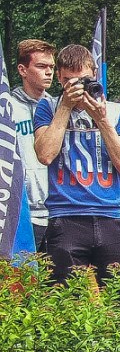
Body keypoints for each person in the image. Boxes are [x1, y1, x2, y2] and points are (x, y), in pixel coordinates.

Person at [32, 44, 120, 283]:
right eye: (69, 81)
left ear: (95, 74)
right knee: (65, 300)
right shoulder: (48, 107)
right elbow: (45, 154)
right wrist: (65, 106)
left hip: (111, 215)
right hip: (66, 215)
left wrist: (102, 120)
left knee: (119, 300)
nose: (77, 88)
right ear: (59, 77)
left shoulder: (118, 112)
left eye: (83, 80)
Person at [11, 40, 55, 250]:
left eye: (51, 67)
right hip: (21, 213)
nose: (49, 73)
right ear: (22, 70)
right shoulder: (8, 108)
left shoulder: (58, 108)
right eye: (41, 66)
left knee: (61, 281)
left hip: (57, 211)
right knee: (21, 281)